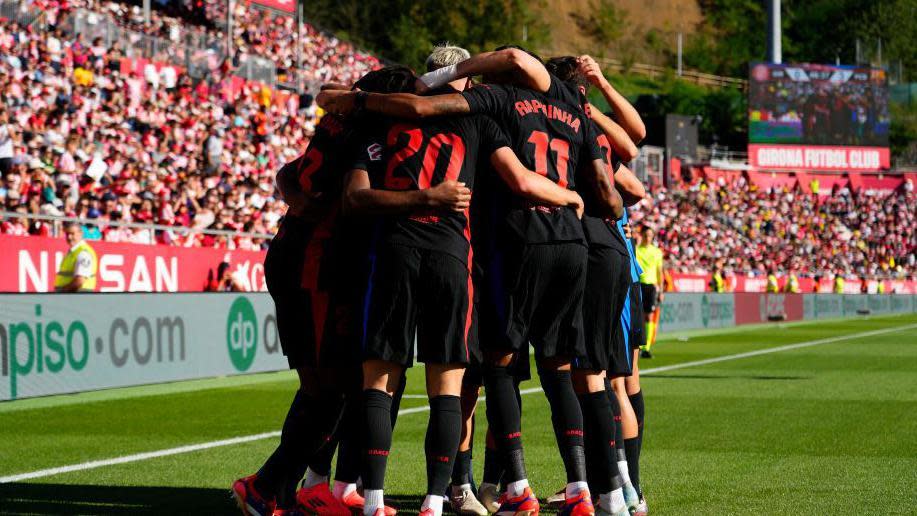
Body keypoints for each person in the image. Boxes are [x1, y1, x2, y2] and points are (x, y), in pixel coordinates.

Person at [319, 45, 616, 516]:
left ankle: (369, 497)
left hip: (398, 251)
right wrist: (568, 196)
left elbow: (353, 193)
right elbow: (525, 177)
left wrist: (350, 101)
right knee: (454, 384)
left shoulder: (389, 120)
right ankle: (443, 499)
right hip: (462, 258)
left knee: (379, 379)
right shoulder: (490, 116)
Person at [635, 226, 664, 358]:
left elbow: (660, 272)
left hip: (651, 286)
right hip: (638, 284)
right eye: (645, 235)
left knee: (649, 316)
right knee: (638, 316)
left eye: (650, 235)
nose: (648, 237)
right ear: (641, 235)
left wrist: (661, 290)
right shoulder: (636, 250)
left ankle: (646, 347)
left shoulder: (657, 252)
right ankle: (638, 345)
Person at [54, 221, 98, 292]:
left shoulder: (83, 253)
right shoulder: (74, 251)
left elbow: (80, 280)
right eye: (67, 234)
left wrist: (63, 291)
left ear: (80, 234)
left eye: (72, 234)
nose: (69, 237)